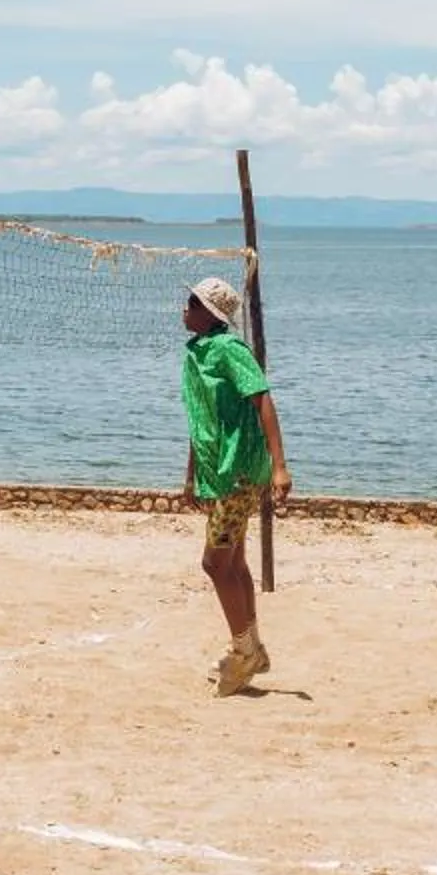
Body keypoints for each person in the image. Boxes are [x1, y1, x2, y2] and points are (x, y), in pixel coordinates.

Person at [180, 277, 291, 697]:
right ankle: (252, 648)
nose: (184, 309)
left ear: (211, 314)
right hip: (217, 471)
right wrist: (191, 474)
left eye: (192, 303)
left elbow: (262, 399)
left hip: (239, 470)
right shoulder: (196, 353)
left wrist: (280, 467)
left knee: (214, 564)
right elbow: (199, 418)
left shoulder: (229, 349)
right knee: (236, 562)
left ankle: (243, 651)